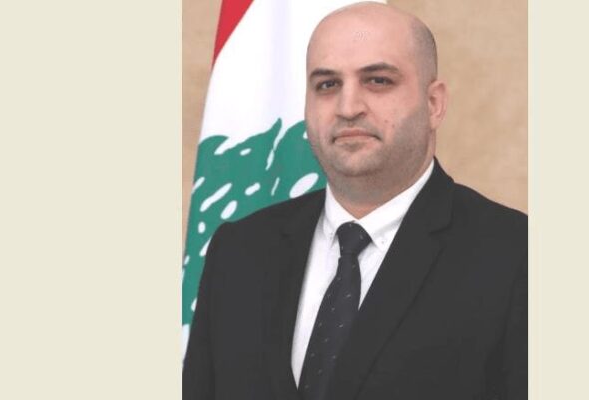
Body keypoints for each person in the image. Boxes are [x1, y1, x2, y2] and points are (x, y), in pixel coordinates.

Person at [183, 2, 527, 399]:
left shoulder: (517, 256)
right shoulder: (239, 252)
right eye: (327, 85)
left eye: (378, 81)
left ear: (434, 103)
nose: (348, 108)